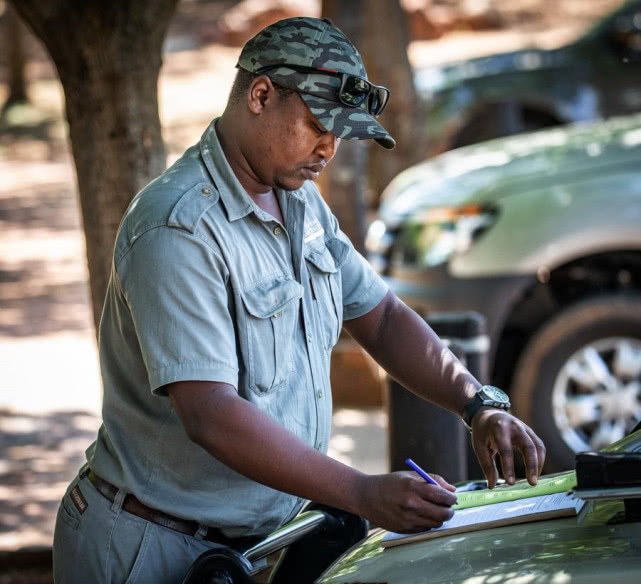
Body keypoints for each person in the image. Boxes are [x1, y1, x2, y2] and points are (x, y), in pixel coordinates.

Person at [53, 16, 545, 584]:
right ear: (260, 95)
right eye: (316, 125)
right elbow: (210, 413)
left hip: (258, 542)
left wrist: (477, 403)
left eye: (338, 134)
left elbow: (380, 316)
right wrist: (360, 491)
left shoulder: (300, 203)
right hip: (151, 547)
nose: (328, 149)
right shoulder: (178, 228)